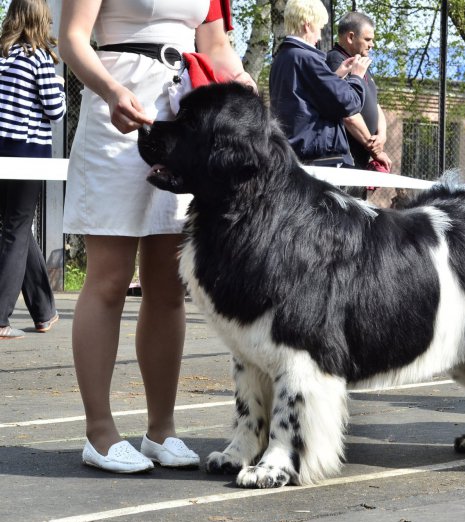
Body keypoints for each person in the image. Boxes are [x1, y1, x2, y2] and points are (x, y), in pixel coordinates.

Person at [59, 0, 256, 473]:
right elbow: (72, 39)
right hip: (117, 108)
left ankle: (160, 430)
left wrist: (244, 87)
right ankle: (100, 432)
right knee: (108, 277)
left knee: (168, 286)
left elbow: (215, 45)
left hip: (182, 112)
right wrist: (109, 90)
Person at [0, 0, 64, 340]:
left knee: (16, 228)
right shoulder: (37, 58)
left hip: (0, 151)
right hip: (27, 152)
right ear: (40, 20)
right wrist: (62, 90)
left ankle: (43, 311)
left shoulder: (2, 55)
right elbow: (56, 111)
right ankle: (0, 316)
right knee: (16, 228)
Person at [269, 0, 370, 168]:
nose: (320, 36)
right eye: (319, 28)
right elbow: (348, 103)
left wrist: (336, 75)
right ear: (308, 26)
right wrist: (357, 77)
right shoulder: (307, 58)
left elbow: (309, 98)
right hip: (318, 158)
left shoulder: (283, 57)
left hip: (294, 153)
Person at [325, 12, 392, 173]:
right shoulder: (337, 61)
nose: (372, 45)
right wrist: (374, 149)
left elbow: (375, 105)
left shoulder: (360, 63)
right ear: (350, 37)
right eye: (368, 39)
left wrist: (382, 136)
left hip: (361, 156)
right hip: (346, 158)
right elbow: (347, 113)